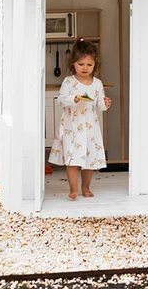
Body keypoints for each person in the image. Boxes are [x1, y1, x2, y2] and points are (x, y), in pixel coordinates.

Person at [48, 38, 111, 199]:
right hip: (72, 126)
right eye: (81, 64)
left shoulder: (97, 83)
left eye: (89, 65)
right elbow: (61, 99)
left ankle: (86, 187)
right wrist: (73, 99)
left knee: (88, 159)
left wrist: (105, 103)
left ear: (94, 65)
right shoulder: (69, 81)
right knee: (72, 158)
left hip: (90, 126)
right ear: (73, 64)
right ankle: (73, 189)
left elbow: (100, 106)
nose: (85, 68)